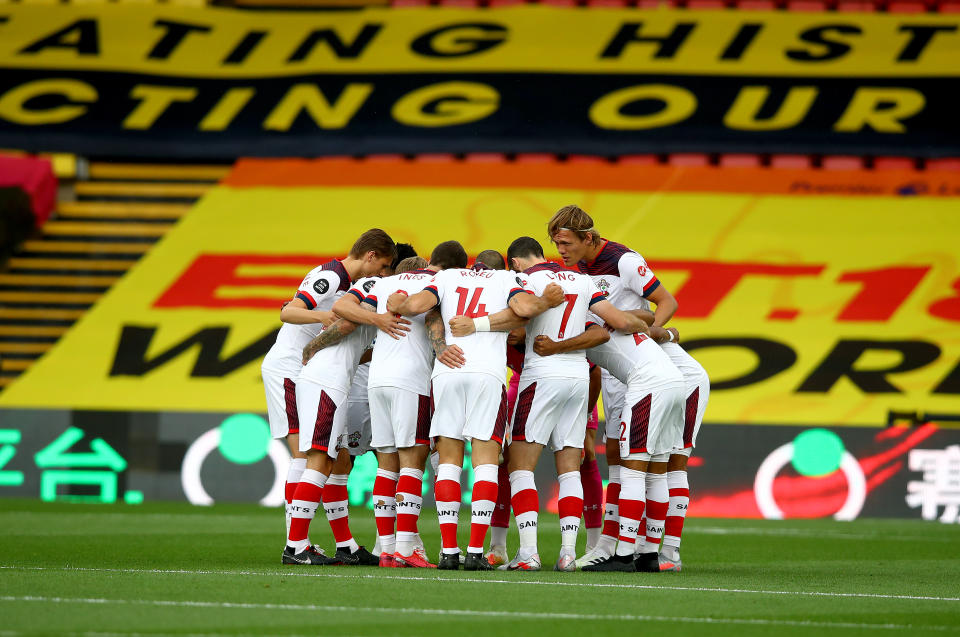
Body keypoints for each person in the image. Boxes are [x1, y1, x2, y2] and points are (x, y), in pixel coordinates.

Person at [454, 236, 648, 571]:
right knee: (570, 468)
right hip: (578, 378)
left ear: (515, 263)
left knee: (519, 466)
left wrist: (477, 324)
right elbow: (610, 327)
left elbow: (519, 315)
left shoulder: (526, 282)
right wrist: (654, 327)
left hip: (541, 377)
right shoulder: (583, 281)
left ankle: (527, 553)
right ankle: (569, 554)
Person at [388, 245, 564, 570]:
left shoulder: (448, 276)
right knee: (485, 461)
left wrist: (396, 302)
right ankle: (474, 552)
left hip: (447, 372)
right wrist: (546, 302)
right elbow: (525, 307)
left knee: (449, 461)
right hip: (487, 374)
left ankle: (449, 552)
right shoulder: (507, 279)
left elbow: (415, 306)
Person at [546, 206, 688, 572]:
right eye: (556, 244)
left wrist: (654, 332)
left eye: (565, 243)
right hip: (632, 372)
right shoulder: (576, 272)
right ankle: (644, 551)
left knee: (633, 464)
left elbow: (666, 303)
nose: (561, 251)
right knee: (641, 461)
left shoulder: (623, 261)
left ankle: (625, 551)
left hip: (643, 374)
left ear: (588, 239)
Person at [281, 229, 398, 565]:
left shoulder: (361, 287)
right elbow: (343, 320)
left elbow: (355, 345)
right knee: (318, 459)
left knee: (337, 460)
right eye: (384, 266)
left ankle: (344, 544)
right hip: (324, 381)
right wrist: (377, 320)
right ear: (376, 259)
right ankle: (296, 546)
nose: (381, 273)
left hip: (332, 381)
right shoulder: (367, 286)